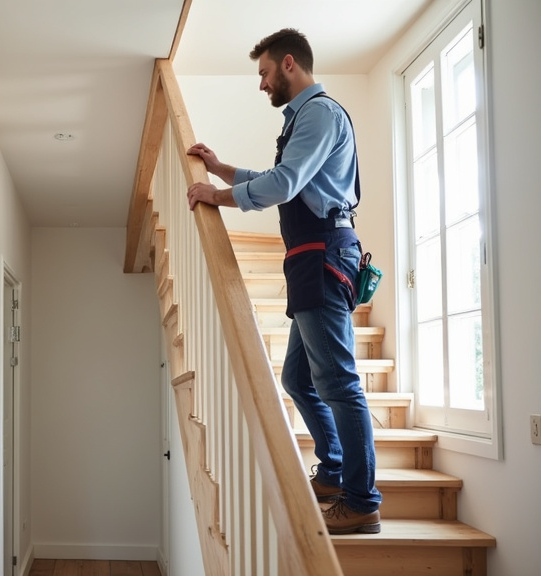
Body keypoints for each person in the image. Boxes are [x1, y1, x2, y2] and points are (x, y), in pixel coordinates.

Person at [185, 28, 381, 535]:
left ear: (289, 64)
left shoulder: (319, 113)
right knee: (298, 378)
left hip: (322, 257)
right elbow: (284, 176)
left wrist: (216, 195)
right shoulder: (304, 119)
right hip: (307, 260)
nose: (262, 84)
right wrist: (221, 168)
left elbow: (285, 184)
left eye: (265, 73)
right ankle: (335, 470)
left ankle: (361, 501)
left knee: (337, 382)